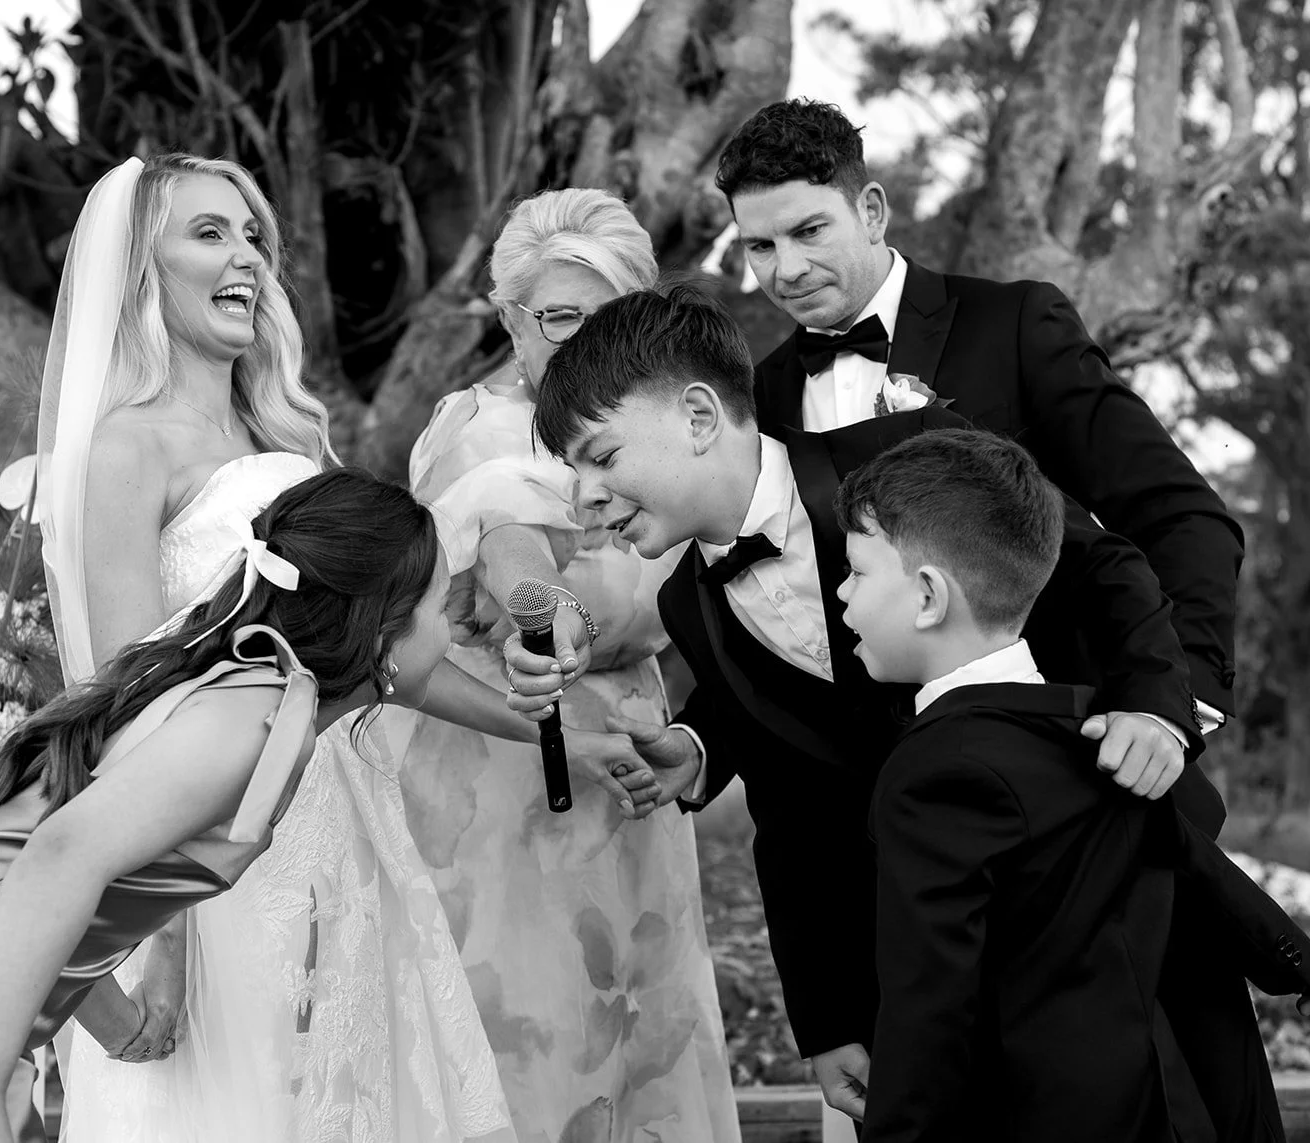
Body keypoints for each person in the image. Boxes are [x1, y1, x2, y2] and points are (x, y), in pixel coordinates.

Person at [509, 283, 1229, 1129]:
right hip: (939, 973)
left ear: (700, 417)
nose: (583, 497)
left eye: (601, 455)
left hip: (1105, 899)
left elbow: (1105, 566)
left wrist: (1156, 707)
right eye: (573, 473)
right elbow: (789, 810)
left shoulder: (908, 452)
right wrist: (828, 1018)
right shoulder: (688, 609)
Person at [40, 154, 649, 1142]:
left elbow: (376, 659)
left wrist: (544, 721)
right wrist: (166, 936)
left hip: (345, 827)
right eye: (209, 232)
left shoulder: (281, 432)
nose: (246, 255)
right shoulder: (126, 449)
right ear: (138, 265)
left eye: (251, 235)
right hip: (223, 855)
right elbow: (131, 715)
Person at [710, 96, 1261, 1137]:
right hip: (904, 885)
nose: (782, 269)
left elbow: (1181, 519)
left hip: (1087, 831)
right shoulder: (763, 398)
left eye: (807, 231)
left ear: (870, 209)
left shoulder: (1015, 327)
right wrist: (702, 740)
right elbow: (777, 647)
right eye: (758, 246)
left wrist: (1169, 703)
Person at [0, 468, 465, 1143]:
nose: (458, 623)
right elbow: (59, 857)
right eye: (442, 603)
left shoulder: (240, 684)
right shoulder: (257, 716)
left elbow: (54, 877)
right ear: (383, 631)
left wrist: (113, 1018)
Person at [832, 429, 1310, 1143]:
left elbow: (927, 1010)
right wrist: (1292, 957)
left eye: (857, 572)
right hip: (1173, 1107)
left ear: (929, 596)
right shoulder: (1100, 727)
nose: (840, 592)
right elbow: (1199, 867)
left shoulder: (933, 774)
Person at [400, 189, 739, 1141]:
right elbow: (509, 548)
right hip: (505, 769)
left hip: (633, 754)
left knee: (644, 1039)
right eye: (555, 318)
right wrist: (545, 612)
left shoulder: (664, 430)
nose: (579, 341)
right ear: (510, 319)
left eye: (608, 319)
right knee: (537, 1042)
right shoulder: (482, 428)